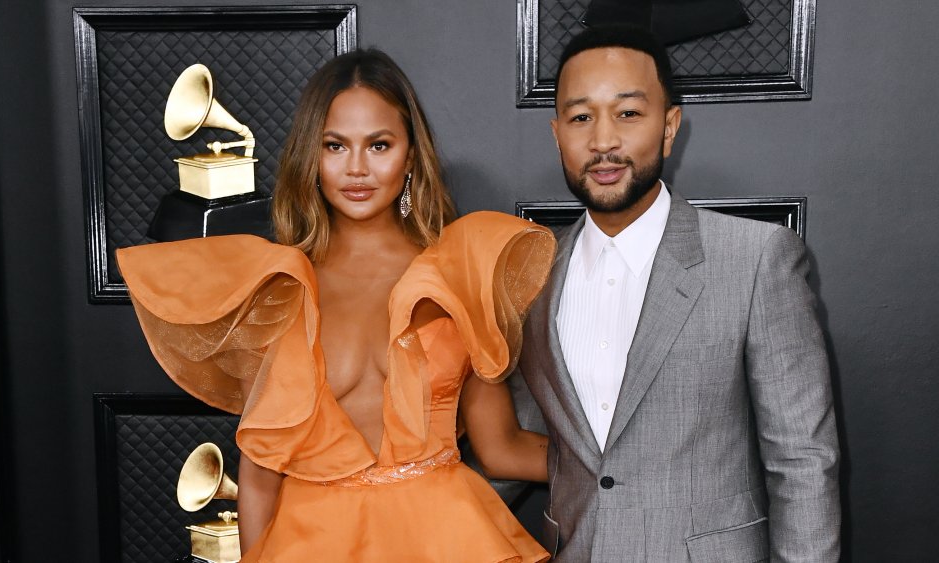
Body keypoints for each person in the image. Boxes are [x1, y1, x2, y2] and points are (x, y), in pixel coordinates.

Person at [117, 49, 555, 562]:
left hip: (443, 538)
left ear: (410, 155)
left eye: (379, 145)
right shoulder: (280, 285)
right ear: (313, 156)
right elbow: (258, 481)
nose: (357, 169)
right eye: (335, 145)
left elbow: (500, 448)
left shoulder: (458, 273)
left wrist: (625, 463)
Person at [507, 24, 841, 561]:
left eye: (629, 113)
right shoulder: (530, 275)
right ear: (557, 134)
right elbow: (521, 437)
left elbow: (803, 461)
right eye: (580, 116)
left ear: (669, 127)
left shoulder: (757, 259)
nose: (603, 140)